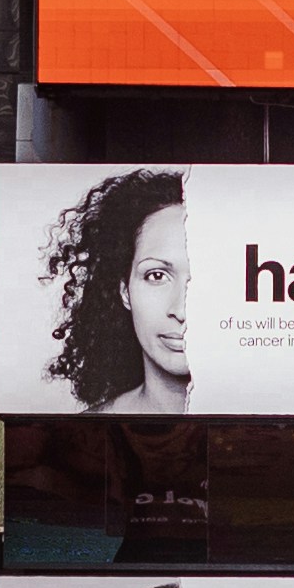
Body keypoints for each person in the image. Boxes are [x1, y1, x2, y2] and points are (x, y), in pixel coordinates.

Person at [37, 168, 198, 416]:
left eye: (202, 278)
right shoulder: (83, 431)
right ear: (125, 291)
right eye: (156, 276)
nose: (181, 310)